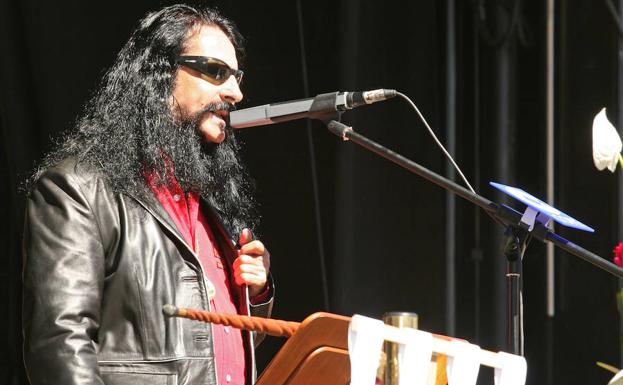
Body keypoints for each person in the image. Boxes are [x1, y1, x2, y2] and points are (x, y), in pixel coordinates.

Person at [22, 4, 273, 385]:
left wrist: (255, 294)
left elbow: (206, 352)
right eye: (216, 72)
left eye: (237, 75)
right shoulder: (78, 189)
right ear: (158, 74)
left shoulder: (209, 196)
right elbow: (59, 345)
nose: (235, 93)